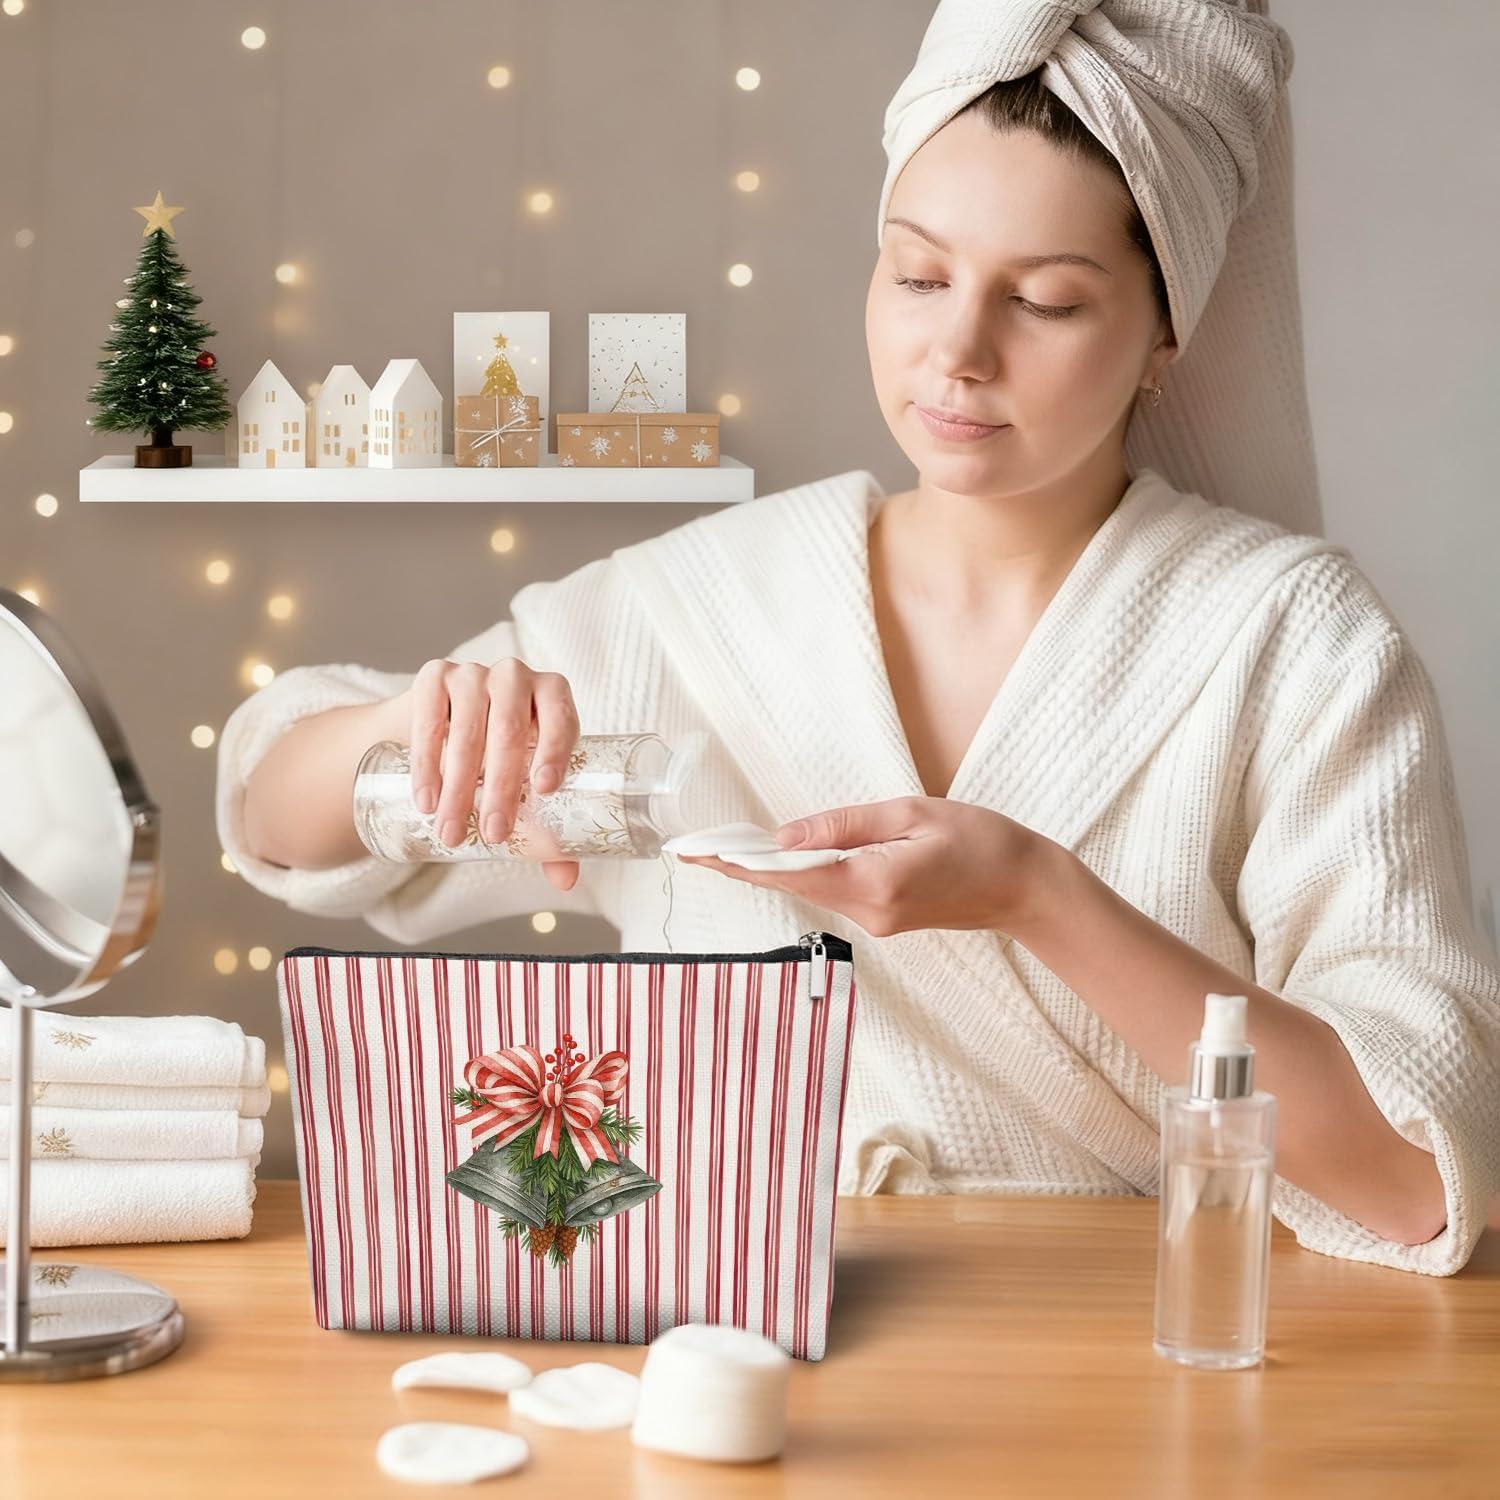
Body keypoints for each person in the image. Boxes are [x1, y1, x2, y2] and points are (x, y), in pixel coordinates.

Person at [216, 2, 1500, 1277]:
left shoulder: (1292, 639)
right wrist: (415, 727)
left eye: (1045, 301)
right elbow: (274, 816)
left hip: (1136, 1368)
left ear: (1168, 332)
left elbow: (1411, 1177)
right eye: (919, 275)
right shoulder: (705, 604)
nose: (957, 353)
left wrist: (1038, 898)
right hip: (724, 1330)